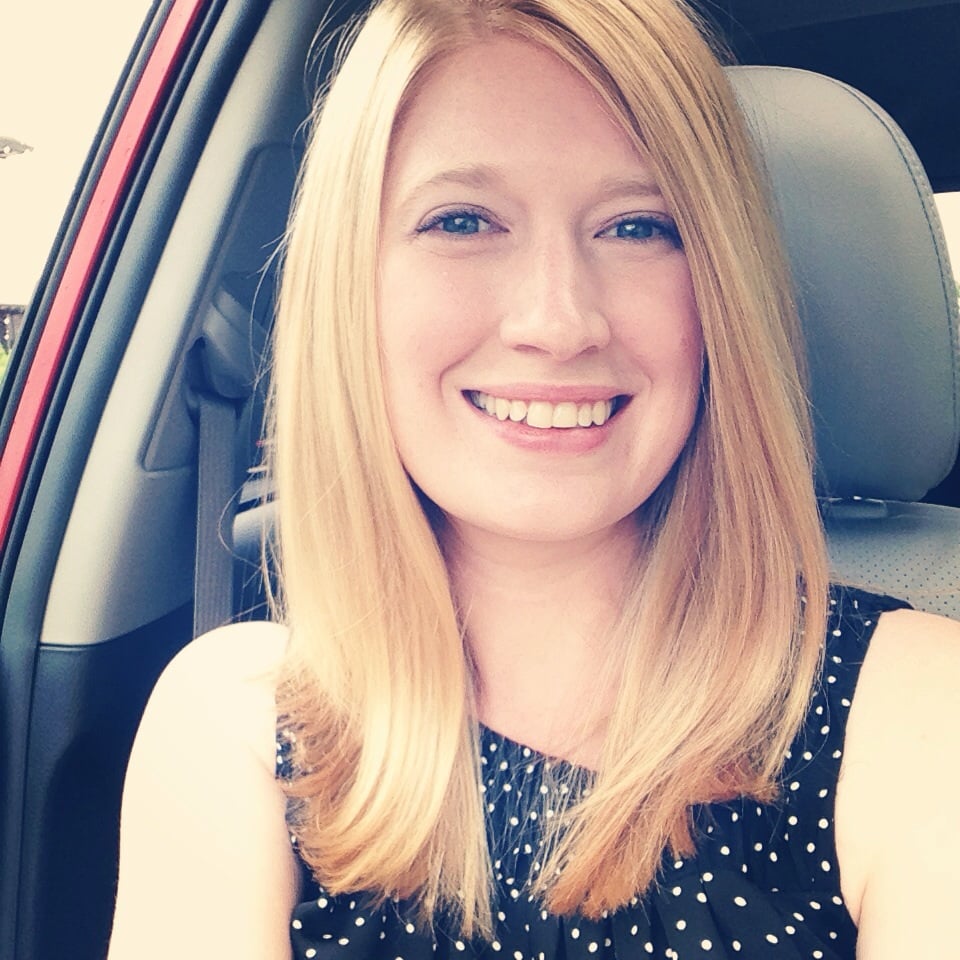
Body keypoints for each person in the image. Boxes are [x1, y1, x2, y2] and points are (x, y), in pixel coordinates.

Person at [107, 0, 960, 957]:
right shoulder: (238, 724)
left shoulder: (922, 712)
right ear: (351, 289)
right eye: (462, 220)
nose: (558, 323)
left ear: (721, 289)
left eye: (638, 226)